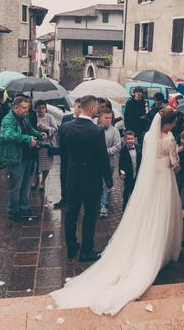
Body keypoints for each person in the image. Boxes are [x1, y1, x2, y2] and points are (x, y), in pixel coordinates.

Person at [51, 107, 182, 316]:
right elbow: (175, 164)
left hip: (148, 182)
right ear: (170, 123)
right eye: (174, 123)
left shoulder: (148, 136)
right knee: (162, 213)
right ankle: (159, 247)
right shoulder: (170, 139)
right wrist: (178, 158)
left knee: (146, 213)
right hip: (164, 179)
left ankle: (75, 247)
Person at [58, 95, 113, 262]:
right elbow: (103, 158)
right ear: (92, 109)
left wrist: (68, 172)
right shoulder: (96, 131)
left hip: (73, 177)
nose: (97, 109)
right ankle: (86, 250)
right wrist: (108, 181)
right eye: (96, 107)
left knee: (71, 213)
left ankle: (71, 247)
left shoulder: (66, 127)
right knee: (89, 215)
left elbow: (64, 155)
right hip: (91, 179)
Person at [0, 96, 45, 221]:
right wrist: (27, 139)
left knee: (26, 185)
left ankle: (24, 208)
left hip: (28, 155)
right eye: (24, 108)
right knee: (16, 187)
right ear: (15, 108)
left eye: (28, 107)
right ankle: (13, 211)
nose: (26, 110)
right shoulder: (8, 120)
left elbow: (30, 130)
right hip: (16, 157)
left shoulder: (25, 118)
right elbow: (7, 134)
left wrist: (39, 134)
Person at [55, 98, 81, 209]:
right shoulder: (66, 118)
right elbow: (60, 135)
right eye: (78, 106)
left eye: (81, 107)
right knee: (64, 175)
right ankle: (64, 197)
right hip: (66, 153)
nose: (79, 109)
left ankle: (76, 198)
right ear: (74, 106)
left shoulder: (85, 121)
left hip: (78, 154)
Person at [98, 107, 121, 218]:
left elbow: (117, 147)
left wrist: (103, 151)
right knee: (96, 184)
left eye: (110, 118)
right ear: (100, 118)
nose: (108, 120)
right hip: (95, 163)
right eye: (106, 118)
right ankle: (97, 203)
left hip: (109, 163)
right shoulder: (94, 129)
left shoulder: (115, 131)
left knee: (105, 185)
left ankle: (104, 206)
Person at [35, 100, 58, 191]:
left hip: (47, 145)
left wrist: (46, 128)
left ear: (46, 109)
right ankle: (35, 179)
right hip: (36, 145)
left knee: (46, 165)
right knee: (36, 164)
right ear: (36, 109)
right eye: (39, 108)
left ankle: (43, 181)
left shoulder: (50, 117)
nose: (41, 110)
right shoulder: (34, 117)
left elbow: (55, 129)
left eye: (43, 108)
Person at [118, 130, 141, 211]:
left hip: (137, 172)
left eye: (132, 138)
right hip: (128, 174)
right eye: (128, 139)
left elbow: (141, 160)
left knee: (135, 190)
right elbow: (121, 163)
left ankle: (134, 205)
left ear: (134, 139)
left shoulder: (138, 148)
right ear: (125, 140)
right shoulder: (123, 150)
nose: (130, 140)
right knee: (127, 189)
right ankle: (125, 204)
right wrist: (121, 172)